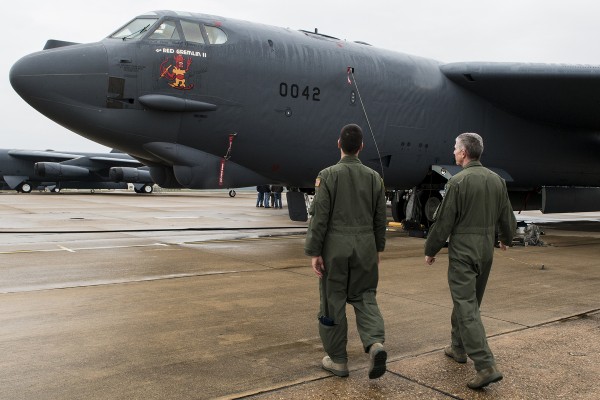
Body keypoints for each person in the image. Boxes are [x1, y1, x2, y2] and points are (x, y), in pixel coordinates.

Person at [424, 132, 516, 390]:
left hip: (463, 251)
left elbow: (444, 222)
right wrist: (506, 238)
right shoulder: (497, 181)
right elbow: (507, 217)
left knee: (466, 306)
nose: (453, 152)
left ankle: (485, 365)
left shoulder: (457, 182)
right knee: (469, 302)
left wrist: (431, 249)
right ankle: (458, 347)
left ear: (464, 153)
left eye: (455, 148)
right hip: (486, 250)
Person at [305, 123, 388, 379]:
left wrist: (314, 251)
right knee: (365, 297)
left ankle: (338, 360)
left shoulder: (328, 175)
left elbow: (320, 217)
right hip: (365, 246)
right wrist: (377, 248)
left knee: (333, 301)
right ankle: (375, 343)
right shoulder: (374, 177)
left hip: (335, 249)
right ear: (361, 147)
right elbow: (380, 219)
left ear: (338, 144)